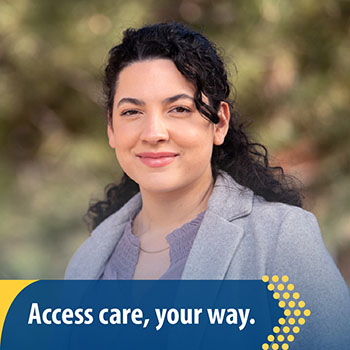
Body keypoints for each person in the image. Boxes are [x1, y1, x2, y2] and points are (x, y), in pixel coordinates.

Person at [65, 22, 349, 348]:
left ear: (219, 123)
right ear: (111, 129)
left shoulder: (279, 239)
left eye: (179, 109)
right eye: (132, 111)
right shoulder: (88, 261)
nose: (154, 132)